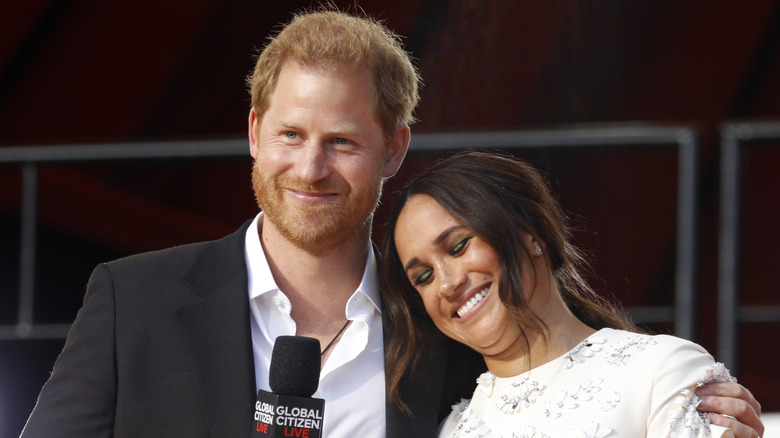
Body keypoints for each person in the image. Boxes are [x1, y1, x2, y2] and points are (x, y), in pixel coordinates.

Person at [20, 8, 763, 438]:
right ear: (254, 133)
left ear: (393, 148)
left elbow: (560, 388)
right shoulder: (132, 299)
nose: (310, 169)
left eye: (341, 141)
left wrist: (703, 410)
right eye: (290, 135)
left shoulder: (444, 328)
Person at [381, 151, 765, 437]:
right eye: (424, 276)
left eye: (459, 246)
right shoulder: (449, 429)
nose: (447, 284)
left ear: (530, 233)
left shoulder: (662, 372)